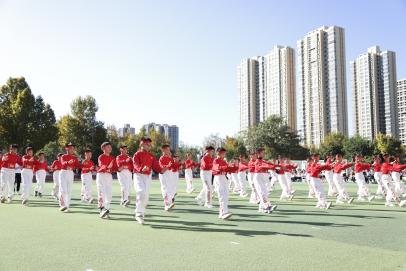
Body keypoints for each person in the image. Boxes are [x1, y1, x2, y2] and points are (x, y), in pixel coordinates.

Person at [133, 137, 165, 224]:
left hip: (147, 177)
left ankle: (141, 213)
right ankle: (138, 213)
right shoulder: (137, 154)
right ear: (141, 145)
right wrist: (141, 169)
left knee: (145, 197)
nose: (148, 146)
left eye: (149, 145)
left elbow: (156, 167)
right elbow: (135, 165)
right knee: (140, 192)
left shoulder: (151, 156)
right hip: (138, 175)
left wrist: (163, 169)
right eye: (146, 144)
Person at [212, 147, 236, 219]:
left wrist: (234, 166)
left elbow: (229, 169)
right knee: (222, 196)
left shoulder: (224, 161)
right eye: (223, 152)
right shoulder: (215, 160)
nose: (224, 154)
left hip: (223, 177)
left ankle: (222, 212)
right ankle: (223, 213)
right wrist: (227, 166)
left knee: (225, 196)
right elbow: (218, 168)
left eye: (224, 153)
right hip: (218, 177)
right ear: (218, 153)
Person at [253, 148, 278, 213]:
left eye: (264, 152)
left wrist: (278, 166)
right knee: (262, 193)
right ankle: (268, 206)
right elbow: (263, 166)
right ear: (258, 154)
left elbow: (269, 165)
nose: (264, 153)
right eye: (262, 152)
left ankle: (262, 208)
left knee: (265, 193)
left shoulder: (263, 161)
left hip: (262, 177)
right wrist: (271, 166)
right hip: (258, 177)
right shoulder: (257, 161)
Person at [96, 142, 116, 219]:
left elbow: (114, 168)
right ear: (103, 148)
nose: (110, 148)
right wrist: (108, 167)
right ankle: (102, 209)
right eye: (108, 147)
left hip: (109, 176)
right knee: (102, 192)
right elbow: (102, 166)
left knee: (109, 193)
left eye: (110, 147)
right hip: (101, 175)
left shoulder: (112, 158)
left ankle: (106, 209)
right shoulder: (101, 157)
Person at [59, 143, 80, 212]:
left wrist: (85, 165)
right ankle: (62, 205)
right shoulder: (63, 156)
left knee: (69, 190)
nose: (72, 149)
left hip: (70, 173)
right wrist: (68, 162)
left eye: (73, 148)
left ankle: (67, 206)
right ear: (66, 148)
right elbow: (63, 163)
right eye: (70, 148)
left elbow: (78, 166)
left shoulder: (74, 157)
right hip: (63, 173)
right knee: (63, 189)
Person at [158, 144, 175, 211]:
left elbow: (172, 167)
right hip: (164, 174)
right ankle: (166, 204)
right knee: (165, 188)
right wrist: (167, 166)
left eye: (169, 149)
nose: (169, 150)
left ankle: (169, 203)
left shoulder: (170, 158)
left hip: (169, 174)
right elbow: (162, 168)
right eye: (167, 149)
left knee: (170, 188)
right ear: (163, 150)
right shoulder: (161, 158)